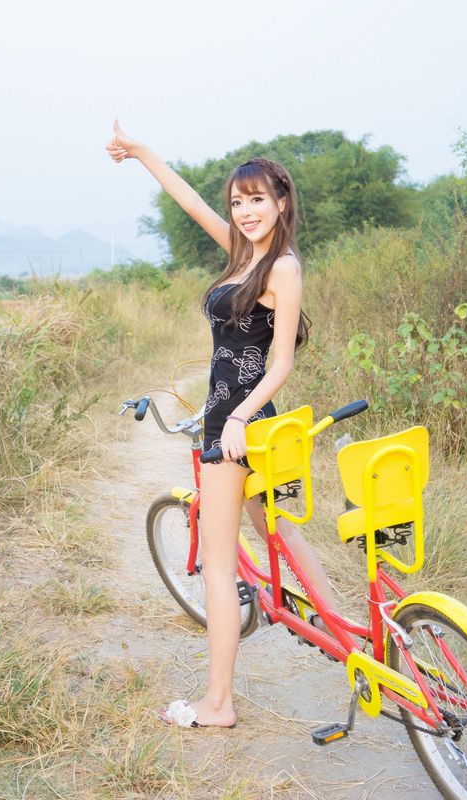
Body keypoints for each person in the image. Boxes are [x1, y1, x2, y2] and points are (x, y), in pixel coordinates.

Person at [106, 119, 342, 729]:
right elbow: (188, 201)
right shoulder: (244, 256)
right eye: (238, 202)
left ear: (282, 202)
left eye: (257, 199)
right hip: (246, 423)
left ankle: (218, 704)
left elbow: (280, 361)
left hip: (239, 424)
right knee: (281, 536)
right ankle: (352, 639)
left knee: (217, 566)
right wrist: (140, 151)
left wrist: (234, 417)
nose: (244, 211)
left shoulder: (282, 268)